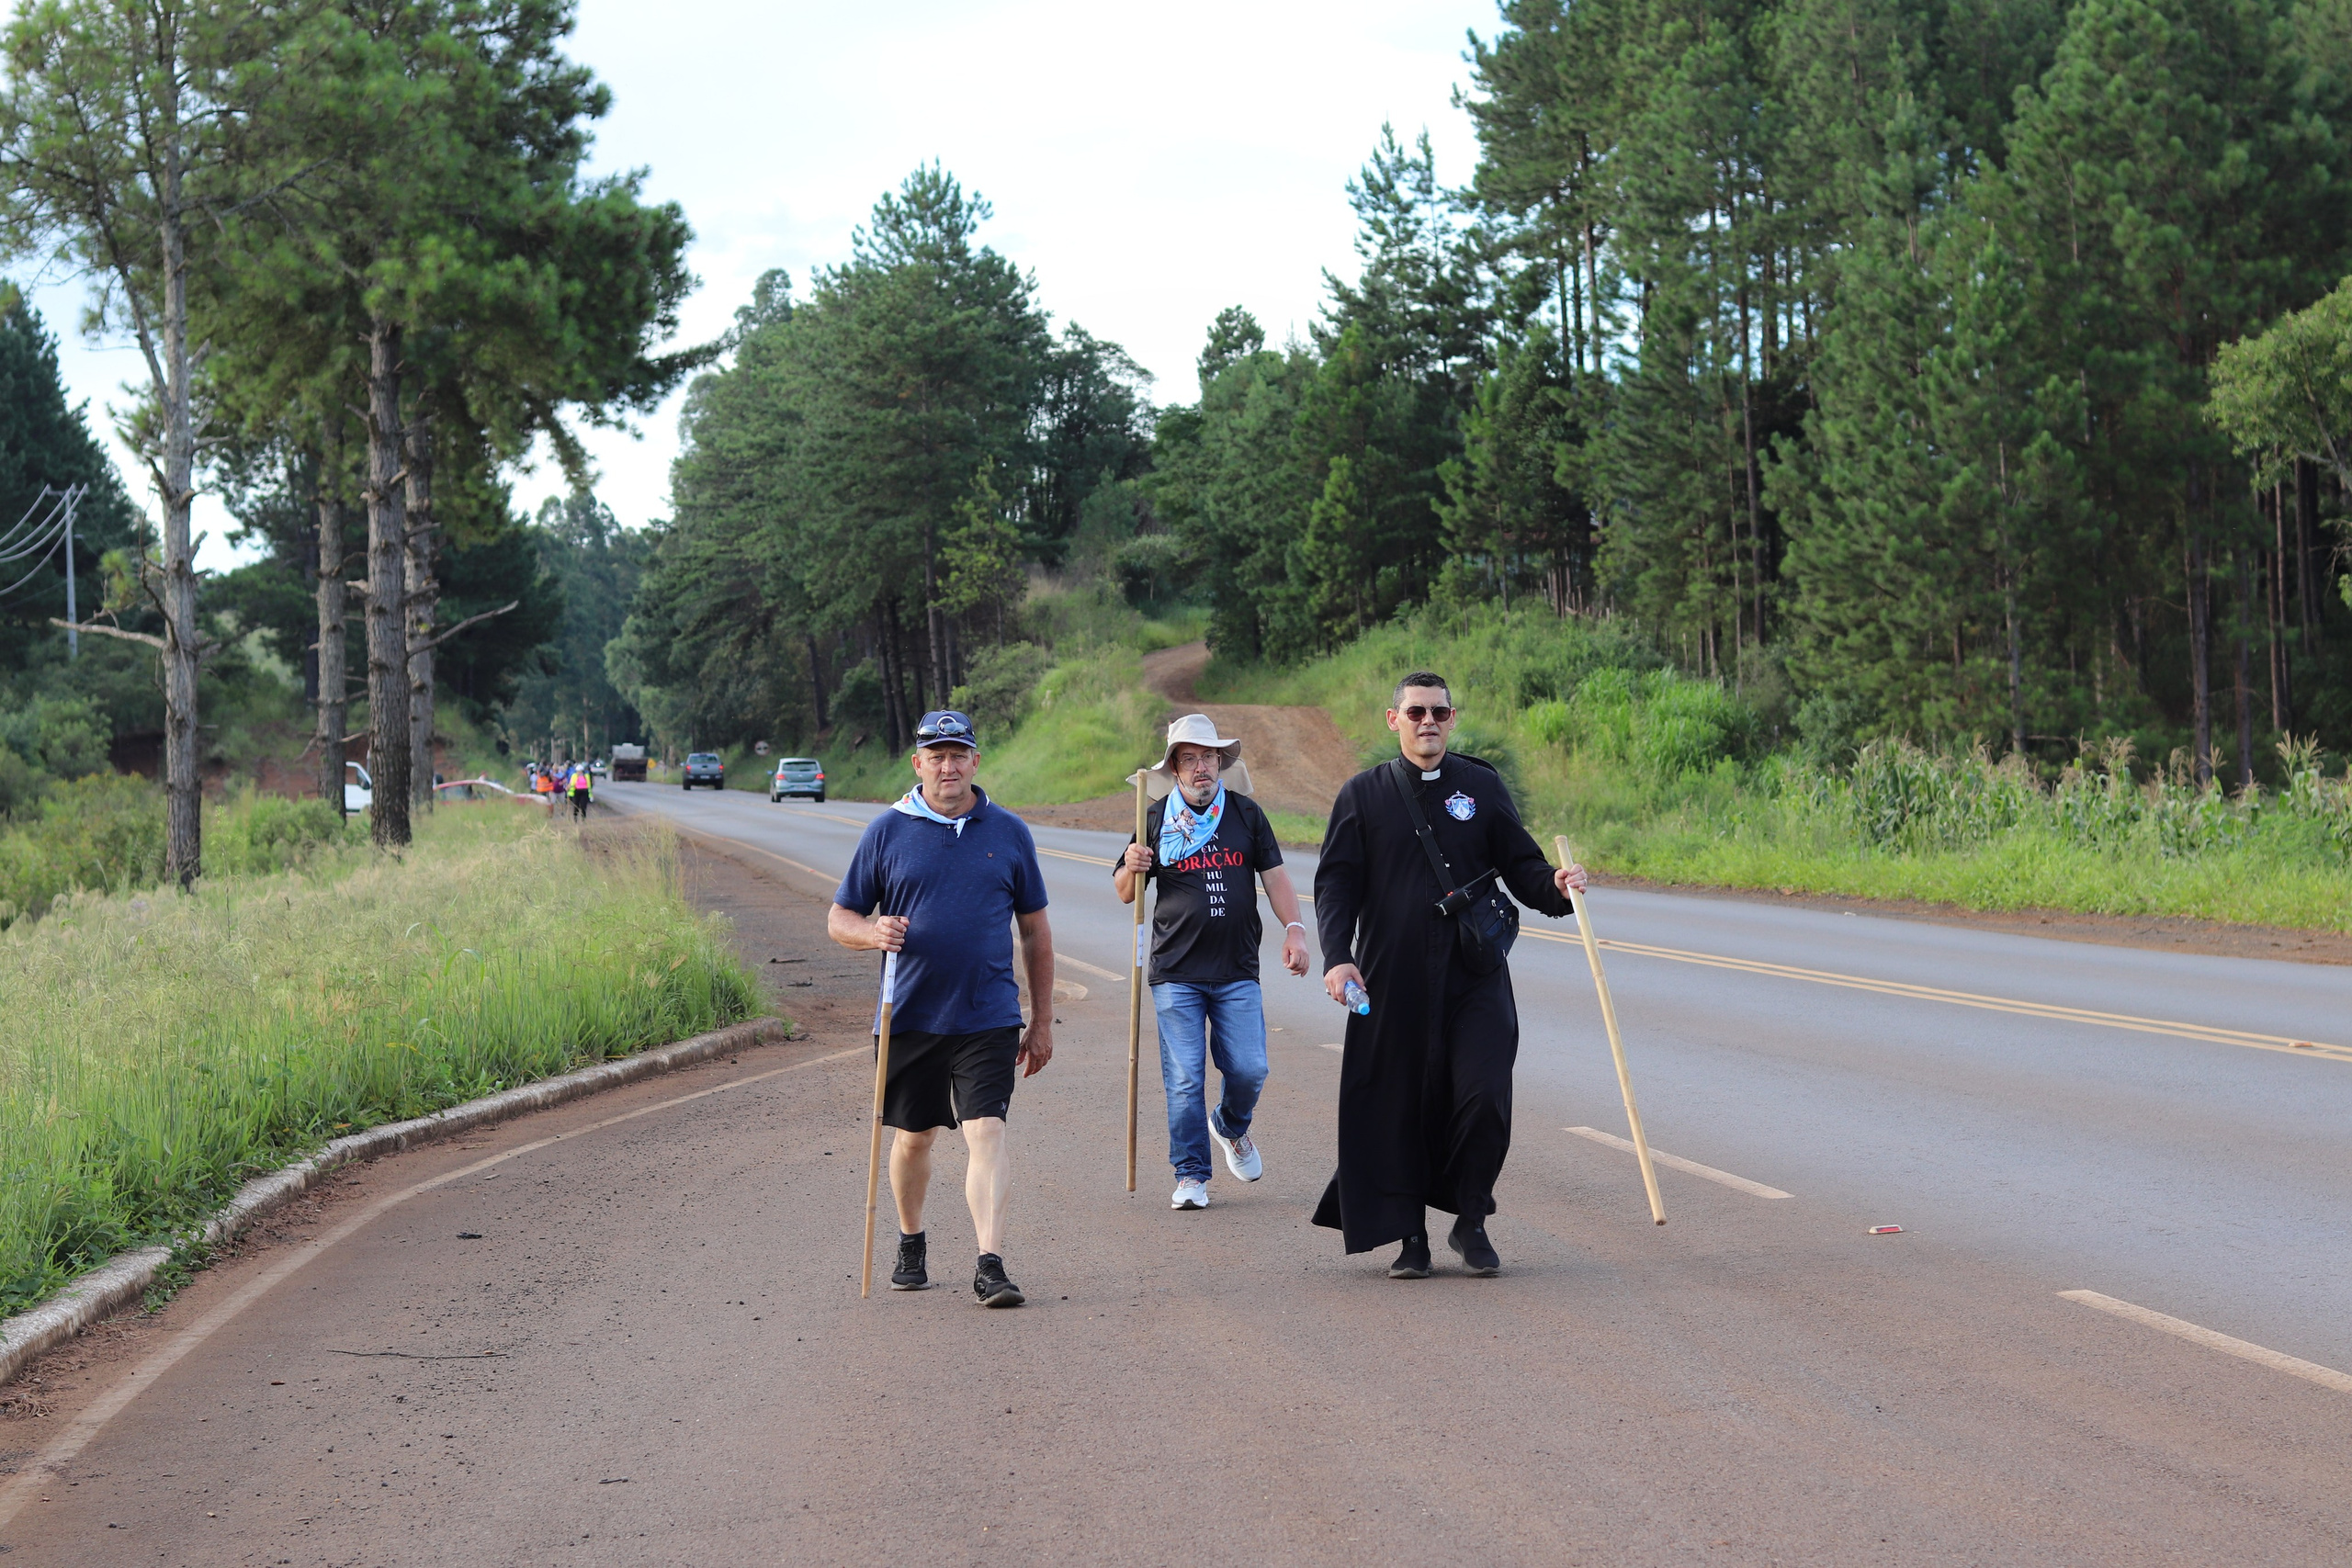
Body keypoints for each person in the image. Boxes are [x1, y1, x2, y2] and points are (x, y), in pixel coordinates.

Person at [1311, 671, 1589, 1279]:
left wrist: (1558, 887)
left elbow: (1522, 863)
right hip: (1393, 979)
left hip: (1475, 974)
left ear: (1453, 717)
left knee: (1484, 1095)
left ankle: (1470, 1218)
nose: (1427, 721)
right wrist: (1337, 956)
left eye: (1438, 711)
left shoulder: (1481, 786)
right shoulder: (1362, 795)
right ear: (1394, 720)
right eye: (1415, 712)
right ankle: (1411, 1236)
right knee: (1402, 1108)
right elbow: (1335, 885)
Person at [829, 709, 1055, 1307]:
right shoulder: (887, 831)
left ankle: (990, 1262)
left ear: (976, 761)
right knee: (915, 1138)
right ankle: (911, 1240)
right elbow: (840, 916)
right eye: (937, 755)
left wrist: (1041, 1018)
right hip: (909, 1016)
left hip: (987, 1016)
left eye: (959, 754)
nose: (949, 765)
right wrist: (872, 932)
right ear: (918, 763)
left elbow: (1034, 931)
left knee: (987, 1131)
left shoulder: (1007, 832)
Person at [1113, 714, 1310, 1212]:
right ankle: (1191, 1174)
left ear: (1220, 762)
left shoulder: (1245, 814)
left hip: (1236, 968)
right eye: (1190, 758)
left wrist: (1294, 930)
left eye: (1208, 757)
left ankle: (1230, 1126)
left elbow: (1277, 878)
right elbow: (1123, 892)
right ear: (1175, 767)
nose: (1201, 767)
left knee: (1249, 1069)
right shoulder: (1153, 817)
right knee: (1183, 1078)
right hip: (1175, 970)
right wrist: (1134, 867)